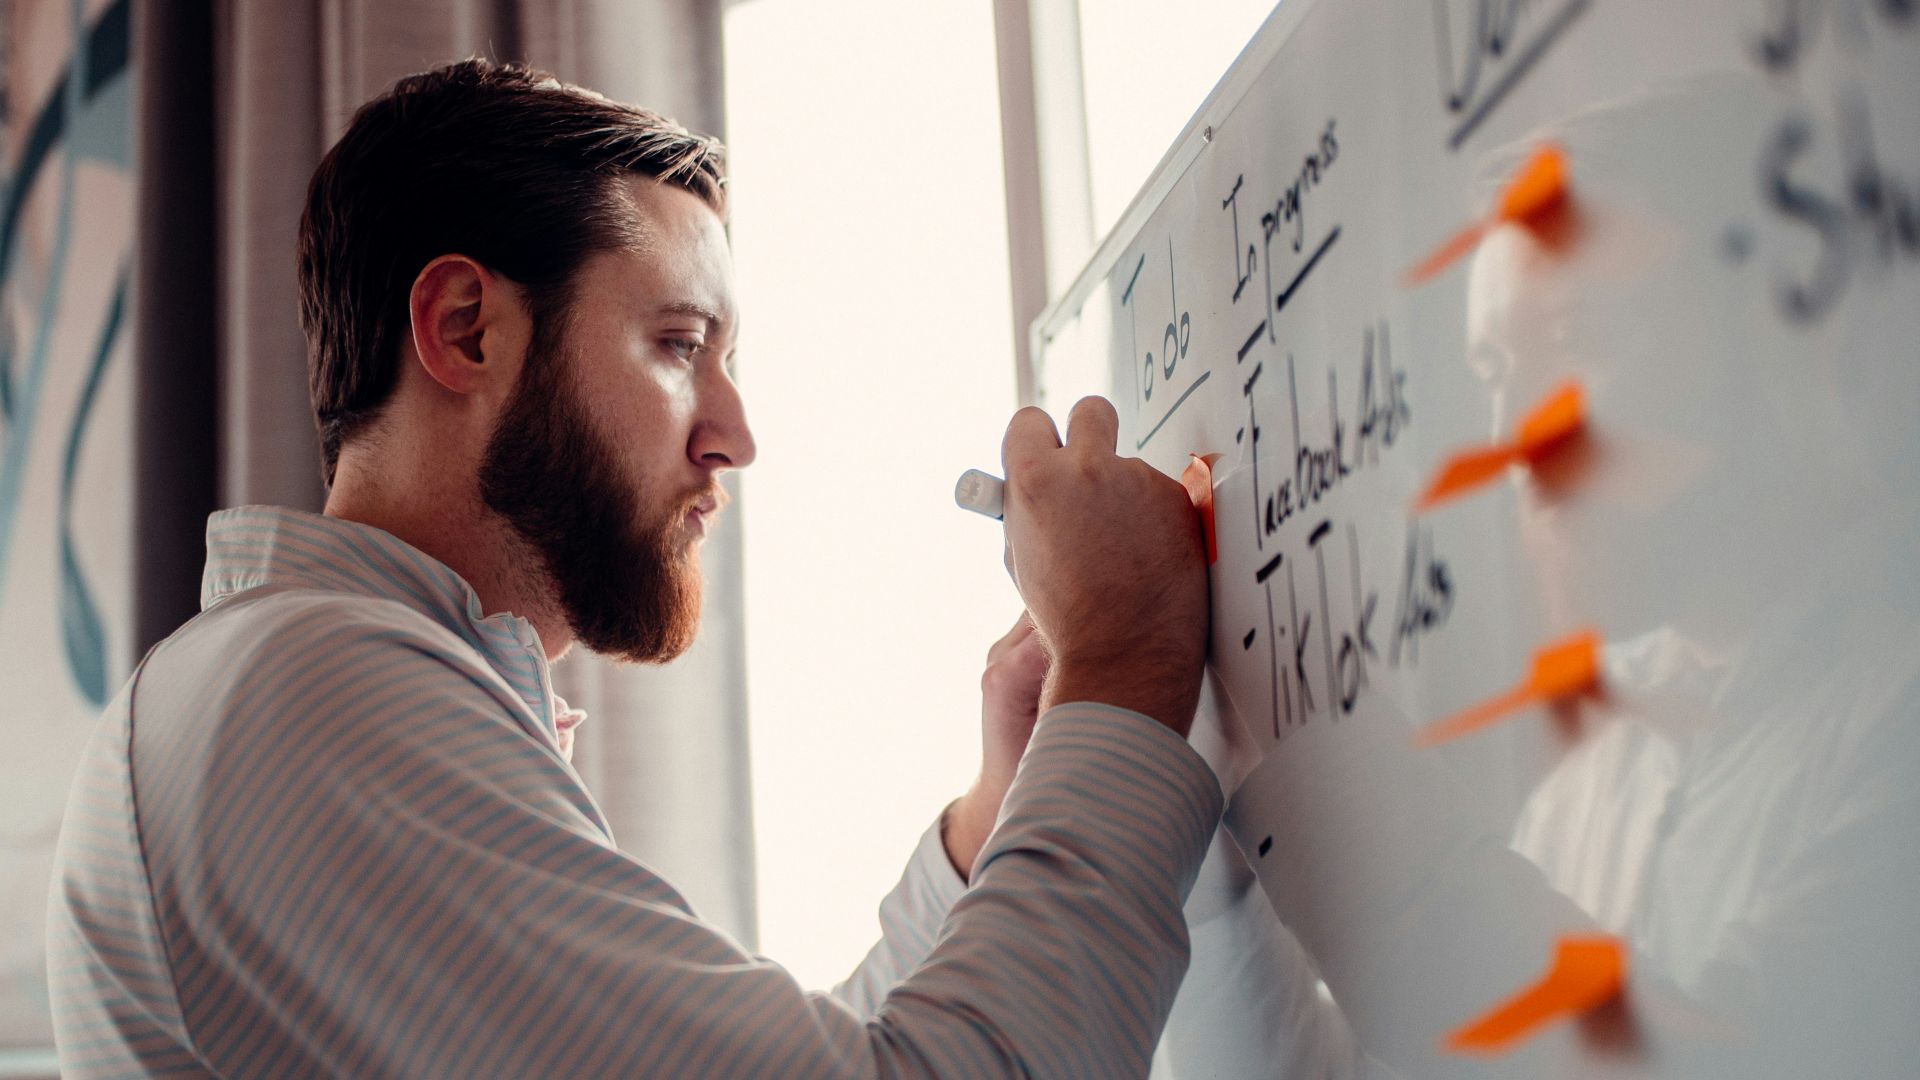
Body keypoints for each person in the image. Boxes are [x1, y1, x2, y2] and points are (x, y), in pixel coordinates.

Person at [45, 58, 1230, 1078]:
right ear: (466, 328)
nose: (735, 433)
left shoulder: (311, 687)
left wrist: (991, 829)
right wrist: (1124, 661)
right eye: (678, 345)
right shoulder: (309, 691)